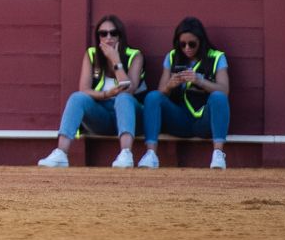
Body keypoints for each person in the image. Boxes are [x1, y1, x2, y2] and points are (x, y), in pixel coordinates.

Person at [37, 14, 145, 168]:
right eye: (103, 33)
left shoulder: (135, 55)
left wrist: (116, 61)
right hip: (102, 117)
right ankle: (61, 153)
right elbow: (84, 89)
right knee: (77, 97)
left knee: (123, 97)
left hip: (130, 118)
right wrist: (106, 94)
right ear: (98, 37)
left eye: (113, 33)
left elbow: (130, 88)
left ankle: (126, 153)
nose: (108, 37)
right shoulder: (91, 54)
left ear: (120, 36)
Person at [139, 17, 231, 169]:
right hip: (180, 118)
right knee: (153, 97)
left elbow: (224, 90)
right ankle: (151, 154)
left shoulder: (216, 57)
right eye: (182, 44)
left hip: (204, 120)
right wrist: (170, 85)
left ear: (201, 41)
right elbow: (161, 92)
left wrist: (200, 81)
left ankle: (218, 154)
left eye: (192, 44)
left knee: (218, 97)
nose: (187, 48)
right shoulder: (172, 56)